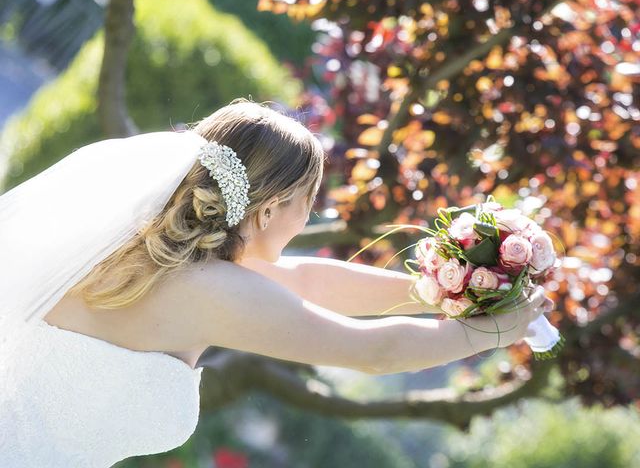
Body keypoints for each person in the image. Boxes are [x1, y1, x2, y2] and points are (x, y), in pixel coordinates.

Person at [0, 98, 549, 466]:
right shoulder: (215, 290)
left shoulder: (144, 252)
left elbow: (308, 280)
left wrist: (447, 286)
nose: (308, 220)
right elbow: (375, 353)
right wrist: (498, 331)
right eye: (308, 203)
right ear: (268, 211)